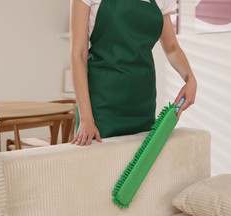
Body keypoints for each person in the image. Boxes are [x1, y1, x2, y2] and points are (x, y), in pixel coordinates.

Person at [70, 0, 197, 146]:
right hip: (102, 105)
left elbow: (172, 48)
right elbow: (78, 55)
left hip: (142, 103)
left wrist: (190, 79)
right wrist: (86, 118)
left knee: (140, 164)